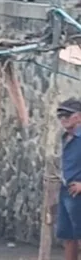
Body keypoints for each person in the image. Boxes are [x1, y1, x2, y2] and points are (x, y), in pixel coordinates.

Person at [55, 98, 81, 260]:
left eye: (67, 115)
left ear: (78, 116)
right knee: (69, 237)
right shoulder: (65, 137)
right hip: (66, 191)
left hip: (79, 193)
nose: (63, 119)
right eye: (60, 115)